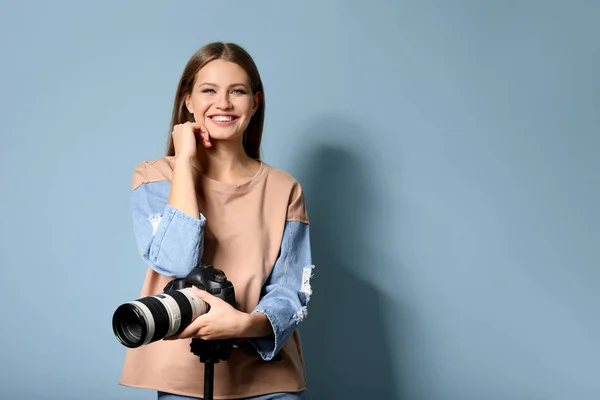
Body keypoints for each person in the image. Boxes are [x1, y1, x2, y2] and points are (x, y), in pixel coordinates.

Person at [118, 42, 314, 399]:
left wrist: (245, 324)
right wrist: (184, 162)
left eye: (236, 91)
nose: (222, 103)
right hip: (182, 377)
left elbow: (289, 290)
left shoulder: (285, 189)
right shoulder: (155, 177)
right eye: (208, 90)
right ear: (188, 101)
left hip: (267, 380)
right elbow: (177, 262)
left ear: (255, 102)